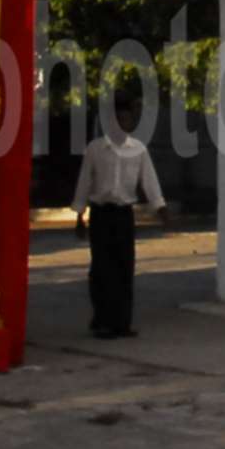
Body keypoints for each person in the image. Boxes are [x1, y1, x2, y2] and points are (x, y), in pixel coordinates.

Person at [71, 127, 168, 339]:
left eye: (128, 118)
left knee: (124, 267)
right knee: (101, 268)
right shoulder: (95, 149)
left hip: (124, 214)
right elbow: (85, 181)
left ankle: (122, 322)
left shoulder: (138, 149)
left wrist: (160, 208)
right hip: (101, 213)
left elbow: (149, 180)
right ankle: (102, 320)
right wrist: (80, 215)